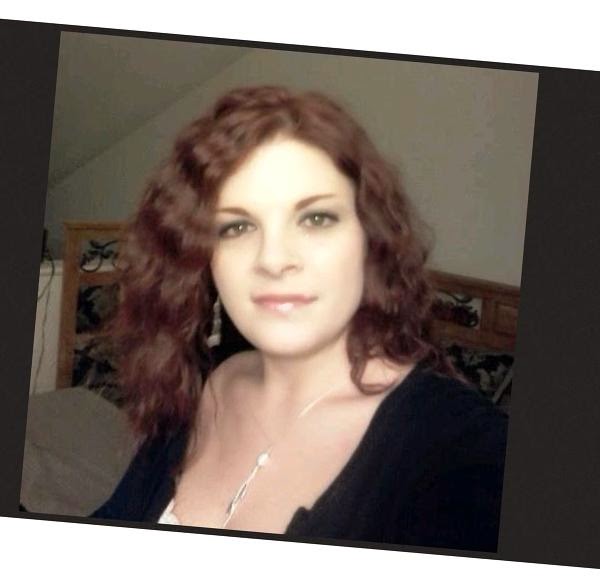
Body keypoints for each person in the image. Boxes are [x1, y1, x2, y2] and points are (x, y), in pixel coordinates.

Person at [91, 85, 507, 552]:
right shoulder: (209, 386)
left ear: (370, 240)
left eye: (315, 219)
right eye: (237, 226)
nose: (273, 259)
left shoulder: (465, 453)